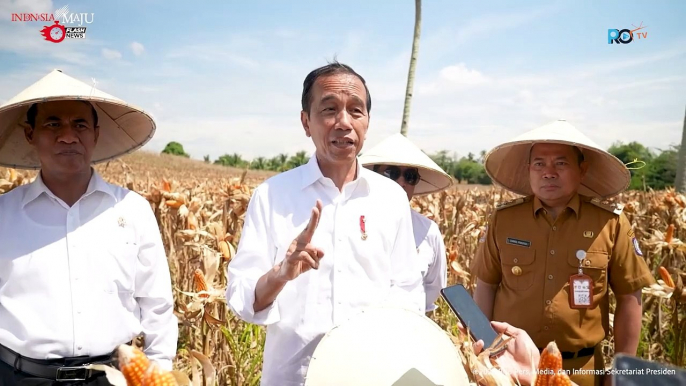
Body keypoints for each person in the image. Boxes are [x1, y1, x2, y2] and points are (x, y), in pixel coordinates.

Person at [225, 61, 425, 386]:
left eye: (355, 111)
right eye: (329, 109)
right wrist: (280, 274)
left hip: (371, 375)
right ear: (306, 121)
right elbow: (242, 297)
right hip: (293, 377)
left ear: (368, 122)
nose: (343, 122)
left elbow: (407, 289)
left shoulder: (391, 198)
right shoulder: (272, 195)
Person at [0, 70, 178, 385]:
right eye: (53, 123)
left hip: (113, 377)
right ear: (30, 134)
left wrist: (158, 371)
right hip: (19, 377)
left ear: (95, 134)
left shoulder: (132, 211)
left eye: (80, 124)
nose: (68, 136)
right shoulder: (4, 214)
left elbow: (157, 306)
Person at [470, 119, 656, 386]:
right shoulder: (504, 220)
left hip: (582, 370)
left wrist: (622, 372)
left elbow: (630, 298)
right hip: (510, 366)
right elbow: (486, 286)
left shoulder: (610, 224)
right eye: (539, 164)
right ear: (529, 170)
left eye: (560, 163)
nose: (548, 172)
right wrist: (484, 355)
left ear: (582, 169)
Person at [359, 133, 454, 312]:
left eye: (410, 176)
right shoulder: (354, 222)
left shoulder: (429, 231)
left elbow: (433, 288)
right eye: (391, 174)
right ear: (373, 176)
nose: (401, 182)